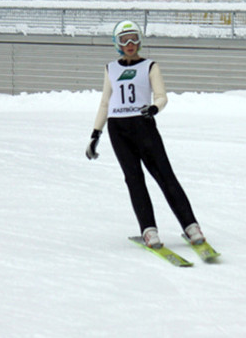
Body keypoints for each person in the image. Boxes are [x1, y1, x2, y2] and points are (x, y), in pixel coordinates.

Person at [85, 19, 204, 250]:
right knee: (134, 180)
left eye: (134, 39)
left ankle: (191, 226)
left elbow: (162, 96)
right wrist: (95, 133)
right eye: (124, 40)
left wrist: (154, 108)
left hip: (143, 125)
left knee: (165, 176)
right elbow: (105, 103)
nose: (130, 44)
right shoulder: (111, 68)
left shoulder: (150, 66)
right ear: (117, 43)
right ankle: (149, 230)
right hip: (118, 130)